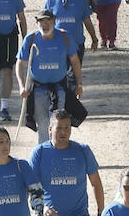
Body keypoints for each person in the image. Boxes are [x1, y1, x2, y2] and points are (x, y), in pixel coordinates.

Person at [16, 8, 83, 142]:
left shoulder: (64, 37)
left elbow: (75, 61)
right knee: (42, 123)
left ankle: (58, 149)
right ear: (37, 23)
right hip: (38, 88)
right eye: (42, 22)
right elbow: (20, 64)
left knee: (58, 123)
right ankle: (44, 152)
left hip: (59, 88)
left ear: (54, 21)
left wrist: (79, 84)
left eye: (48, 21)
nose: (45, 25)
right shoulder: (31, 39)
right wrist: (22, 86)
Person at [44, 0, 98, 78]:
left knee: (73, 77)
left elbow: (87, 21)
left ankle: (72, 95)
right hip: (57, 45)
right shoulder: (51, 0)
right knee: (58, 77)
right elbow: (45, 25)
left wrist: (94, 39)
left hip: (76, 44)